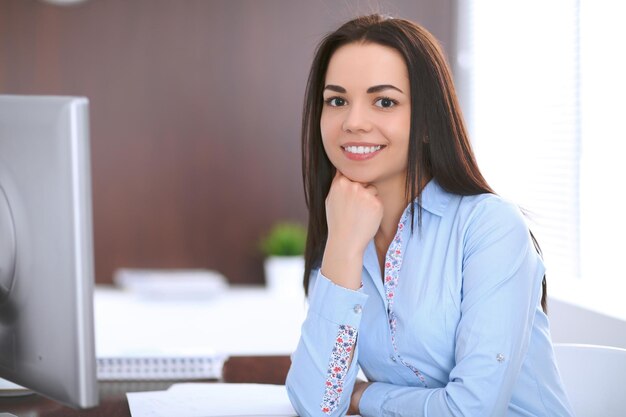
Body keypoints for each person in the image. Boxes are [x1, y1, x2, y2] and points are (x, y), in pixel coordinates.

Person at [285, 14, 574, 417]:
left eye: (384, 101)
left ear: (427, 121)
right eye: (337, 101)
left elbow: (470, 410)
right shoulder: (342, 234)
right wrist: (343, 250)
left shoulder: (490, 228)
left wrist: (364, 397)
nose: (353, 123)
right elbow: (315, 407)